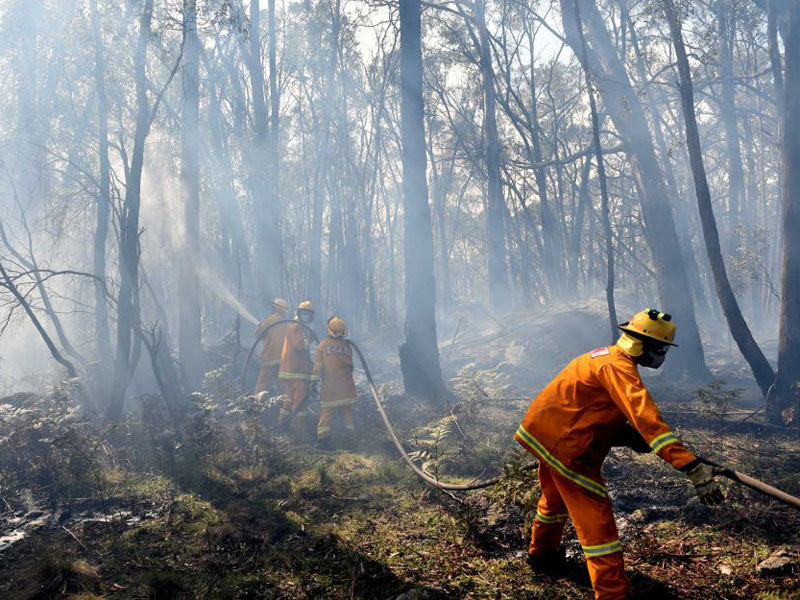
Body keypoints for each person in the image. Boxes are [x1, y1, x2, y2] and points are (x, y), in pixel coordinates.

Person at [515, 309, 723, 600]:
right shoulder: (619, 368)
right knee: (598, 526)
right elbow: (647, 418)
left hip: (545, 434)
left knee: (554, 500)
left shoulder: (605, 357)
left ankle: (542, 556)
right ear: (643, 345)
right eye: (661, 348)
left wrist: (626, 436)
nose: (663, 355)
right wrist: (690, 466)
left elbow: (592, 407)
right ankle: (613, 594)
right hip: (567, 449)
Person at [313, 316, 358, 449]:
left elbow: (318, 368)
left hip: (330, 387)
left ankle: (323, 441)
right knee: (346, 412)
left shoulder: (322, 346)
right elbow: (351, 366)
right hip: (346, 386)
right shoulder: (347, 346)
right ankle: (351, 439)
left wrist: (313, 383)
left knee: (326, 412)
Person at [278, 301, 317, 428]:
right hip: (298, 372)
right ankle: (299, 432)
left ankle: (282, 425)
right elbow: (300, 346)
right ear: (299, 313)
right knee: (300, 402)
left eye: (309, 314)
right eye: (305, 313)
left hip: (292, 371)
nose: (307, 316)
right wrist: (310, 338)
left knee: (288, 400)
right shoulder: (297, 326)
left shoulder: (294, 325)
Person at [254, 298, 290, 395]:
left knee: (262, 385)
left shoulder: (269, 321)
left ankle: (257, 406)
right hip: (283, 360)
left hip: (268, 359)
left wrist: (259, 327)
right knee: (282, 387)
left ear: (275, 308)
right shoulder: (287, 323)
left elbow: (258, 335)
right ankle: (284, 406)